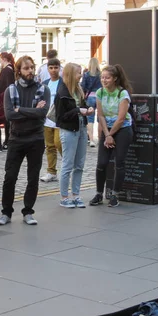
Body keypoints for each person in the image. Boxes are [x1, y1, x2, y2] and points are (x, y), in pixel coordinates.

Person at [0, 56, 49, 226]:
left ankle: (28, 212)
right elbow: (10, 115)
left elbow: (42, 113)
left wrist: (21, 110)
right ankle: (6, 213)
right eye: (26, 68)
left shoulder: (43, 89)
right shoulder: (10, 90)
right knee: (10, 177)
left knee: (33, 178)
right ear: (19, 70)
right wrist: (32, 111)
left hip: (36, 138)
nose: (30, 71)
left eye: (32, 67)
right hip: (16, 139)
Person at [89, 64, 134, 208]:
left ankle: (115, 195)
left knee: (119, 162)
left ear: (114, 78)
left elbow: (121, 119)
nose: (104, 80)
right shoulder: (100, 92)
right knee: (101, 163)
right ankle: (98, 194)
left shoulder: (122, 94)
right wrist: (107, 135)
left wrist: (110, 134)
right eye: (102, 77)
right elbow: (100, 115)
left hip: (122, 130)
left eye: (107, 78)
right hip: (108, 130)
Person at [55, 63, 91, 208]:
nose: (81, 75)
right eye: (78, 73)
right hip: (69, 130)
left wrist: (87, 109)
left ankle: (76, 195)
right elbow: (60, 118)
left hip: (81, 128)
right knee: (68, 165)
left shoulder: (78, 90)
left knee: (80, 165)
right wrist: (78, 110)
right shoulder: (62, 93)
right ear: (70, 74)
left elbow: (82, 106)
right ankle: (64, 197)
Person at [40, 58, 63, 183]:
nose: (53, 70)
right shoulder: (44, 83)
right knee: (49, 146)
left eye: (56, 67)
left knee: (58, 143)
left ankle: (67, 167)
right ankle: (51, 171)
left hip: (59, 119)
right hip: (47, 119)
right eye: (51, 67)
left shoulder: (63, 82)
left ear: (60, 68)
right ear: (47, 69)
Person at [81, 57, 102, 148]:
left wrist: (84, 94)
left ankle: (92, 140)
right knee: (100, 118)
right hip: (100, 96)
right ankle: (101, 140)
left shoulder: (86, 74)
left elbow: (83, 86)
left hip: (89, 97)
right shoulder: (101, 75)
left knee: (90, 119)